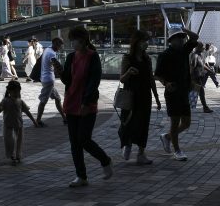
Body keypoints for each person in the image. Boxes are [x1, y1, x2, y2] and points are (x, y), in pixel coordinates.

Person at [60, 26, 112, 188]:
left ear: (82, 40)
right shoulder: (70, 57)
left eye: (74, 40)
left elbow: (94, 82)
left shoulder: (92, 57)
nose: (72, 43)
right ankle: (81, 176)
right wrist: (59, 71)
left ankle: (105, 160)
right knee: (74, 142)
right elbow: (67, 81)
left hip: (86, 104)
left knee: (84, 139)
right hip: (71, 102)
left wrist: (86, 102)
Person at [154, 27, 200, 161]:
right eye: (177, 38)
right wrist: (166, 83)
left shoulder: (185, 50)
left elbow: (195, 37)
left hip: (184, 91)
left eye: (182, 37)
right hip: (172, 92)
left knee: (186, 123)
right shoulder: (165, 55)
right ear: (171, 40)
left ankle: (167, 137)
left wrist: (184, 30)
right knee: (175, 123)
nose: (181, 40)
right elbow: (157, 74)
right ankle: (177, 150)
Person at [118, 29, 161, 165]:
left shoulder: (147, 58)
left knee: (143, 124)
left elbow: (151, 79)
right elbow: (122, 79)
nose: (146, 44)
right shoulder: (127, 58)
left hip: (144, 96)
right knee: (128, 122)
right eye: (144, 41)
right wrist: (129, 72)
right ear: (137, 42)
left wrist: (157, 97)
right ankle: (127, 144)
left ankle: (141, 154)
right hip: (130, 95)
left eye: (147, 41)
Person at [0, 80, 37, 165]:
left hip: (19, 125)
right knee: (10, 141)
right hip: (8, 126)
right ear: (9, 91)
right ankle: (12, 155)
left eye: (18, 91)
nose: (16, 93)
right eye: (14, 91)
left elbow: (27, 111)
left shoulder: (20, 101)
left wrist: (34, 121)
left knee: (19, 141)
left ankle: (17, 155)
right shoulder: (5, 100)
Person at [36, 37, 65, 127]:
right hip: (48, 80)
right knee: (43, 100)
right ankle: (38, 121)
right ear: (55, 43)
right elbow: (57, 65)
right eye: (59, 45)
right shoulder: (52, 54)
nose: (60, 48)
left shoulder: (47, 49)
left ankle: (65, 118)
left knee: (57, 98)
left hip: (46, 79)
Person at [190, 42, 214, 114]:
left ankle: (204, 107)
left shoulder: (201, 55)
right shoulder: (195, 56)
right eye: (202, 46)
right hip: (195, 77)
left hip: (200, 77)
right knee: (201, 92)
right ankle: (205, 107)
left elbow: (203, 65)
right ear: (198, 47)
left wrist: (210, 70)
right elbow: (191, 67)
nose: (204, 48)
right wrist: (191, 78)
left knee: (197, 92)